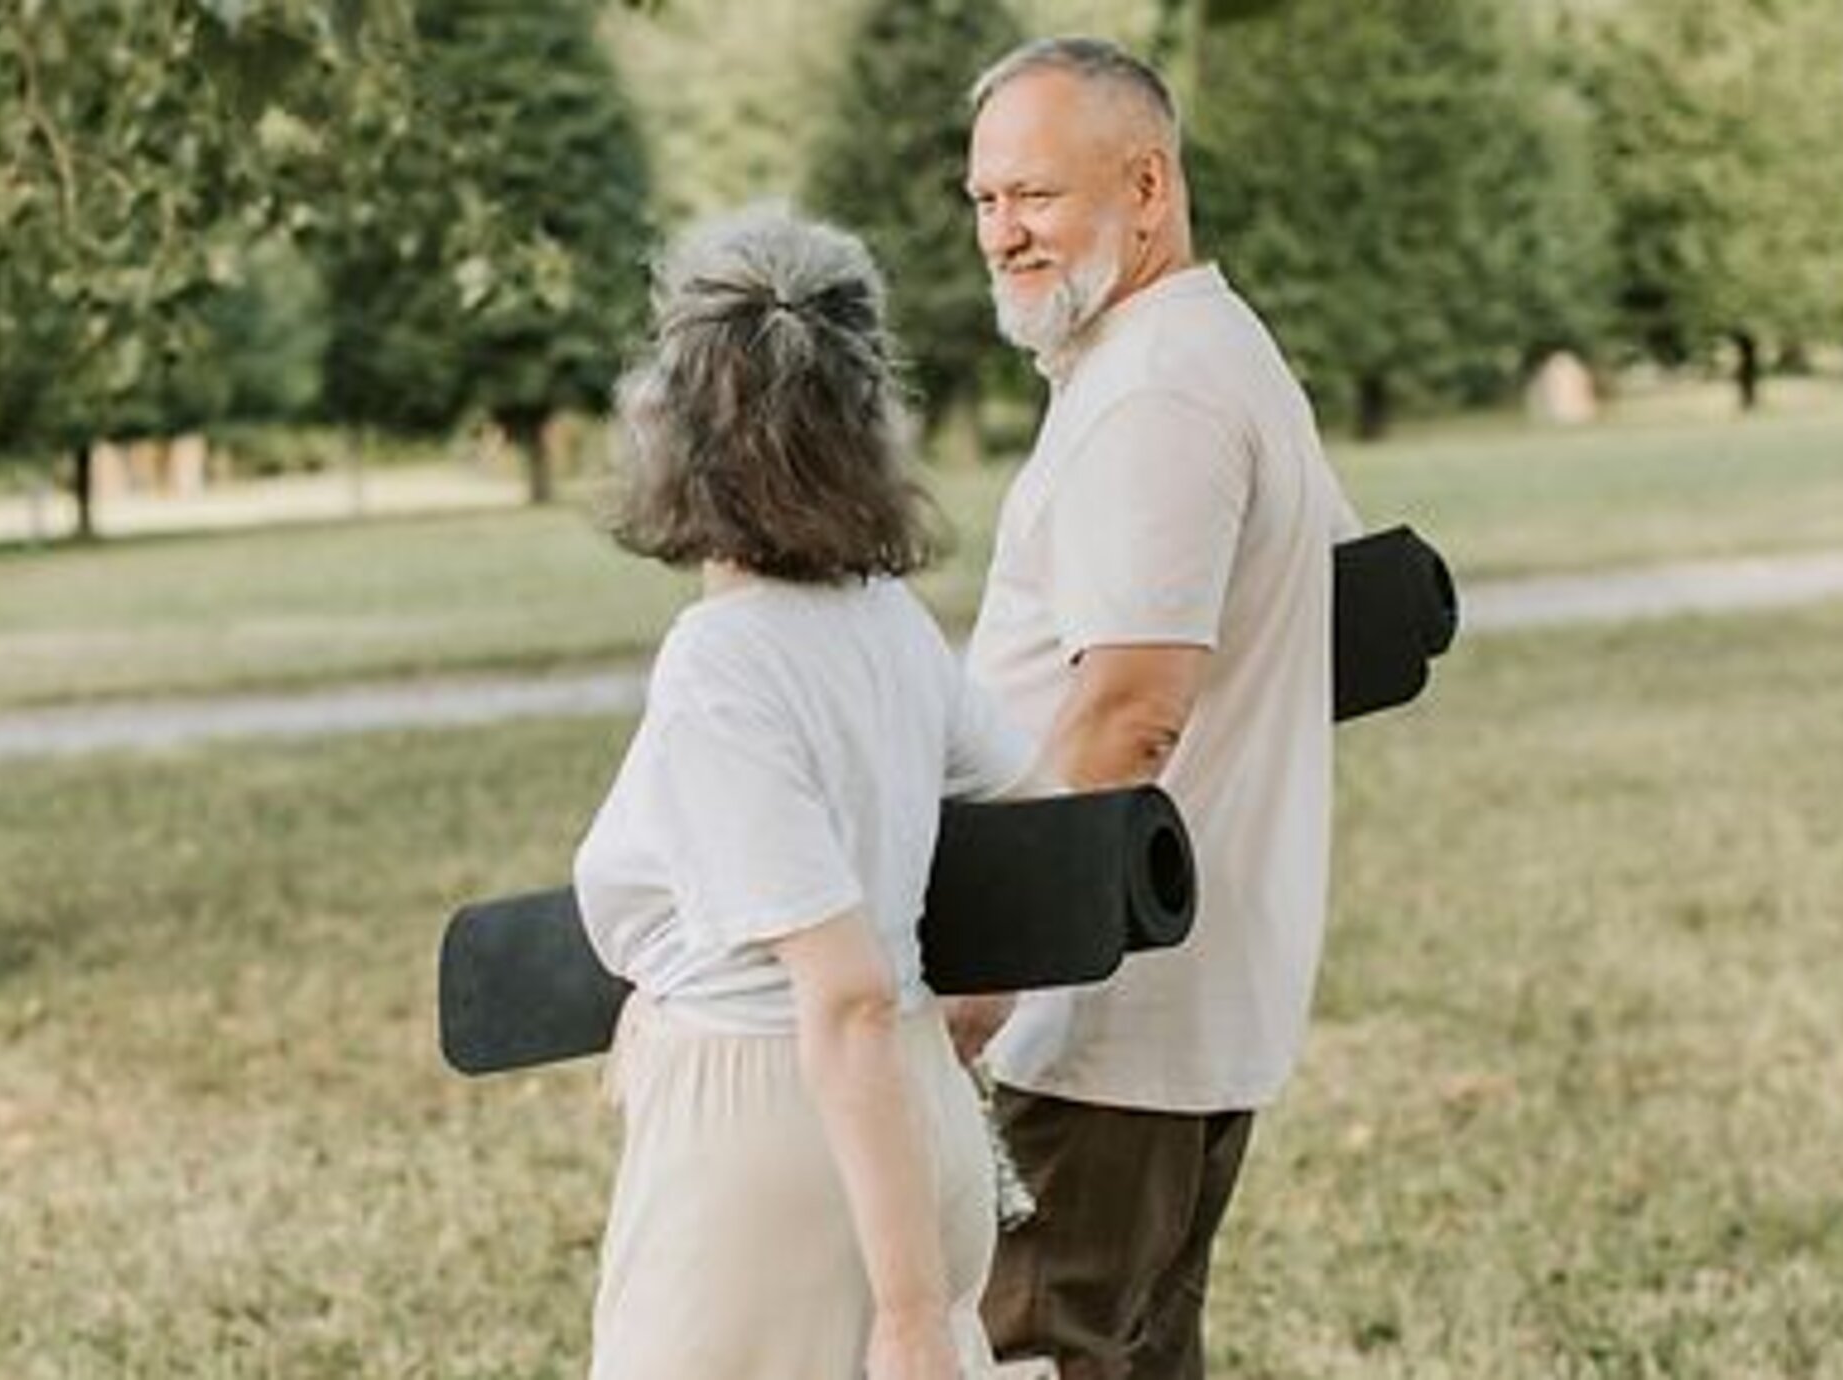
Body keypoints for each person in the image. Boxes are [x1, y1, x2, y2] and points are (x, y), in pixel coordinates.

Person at [949, 37, 1358, 1380]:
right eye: (985, 200)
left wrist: (981, 984)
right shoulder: (1205, 349)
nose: (1002, 233)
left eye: (1036, 195)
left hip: (1098, 1016)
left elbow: (1130, 710)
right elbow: (1351, 613)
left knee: (1029, 1352)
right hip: (1169, 995)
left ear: (1146, 186)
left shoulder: (1157, 394)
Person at [574, 206, 1042, 1380]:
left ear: (668, 422)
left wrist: (908, 1311)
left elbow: (842, 992)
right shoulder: (887, 624)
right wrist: (971, 1011)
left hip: (773, 1142)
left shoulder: (721, 665)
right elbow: (1037, 813)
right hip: (914, 1114)